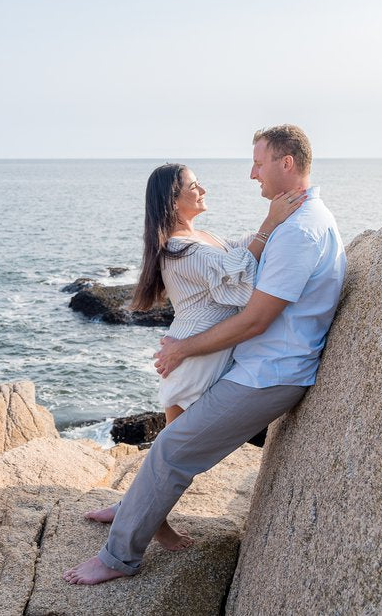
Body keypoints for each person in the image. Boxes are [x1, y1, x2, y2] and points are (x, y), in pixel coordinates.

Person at [64, 124, 346, 585]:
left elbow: (254, 319)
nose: (253, 174)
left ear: (286, 163)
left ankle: (117, 558)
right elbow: (239, 269)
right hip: (252, 364)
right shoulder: (298, 221)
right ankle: (134, 510)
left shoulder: (298, 231)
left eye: (259, 162)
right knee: (172, 444)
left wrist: (181, 348)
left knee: (171, 449)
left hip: (269, 373)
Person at [82, 162, 304, 550]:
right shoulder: (178, 247)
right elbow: (236, 274)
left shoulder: (198, 236)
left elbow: (237, 252)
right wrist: (270, 224)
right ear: (173, 199)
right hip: (193, 357)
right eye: (194, 186)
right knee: (173, 452)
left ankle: (128, 506)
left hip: (197, 348)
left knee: (170, 447)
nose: (203, 190)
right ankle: (154, 524)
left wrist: (277, 225)